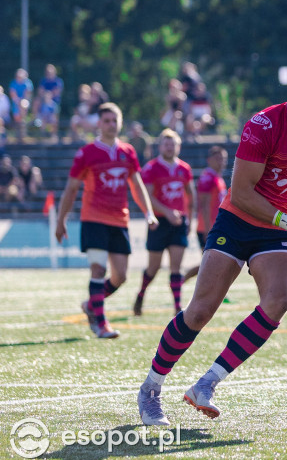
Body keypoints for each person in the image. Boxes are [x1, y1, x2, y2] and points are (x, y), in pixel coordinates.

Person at [136, 50, 287, 426]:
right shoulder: (264, 124)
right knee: (201, 311)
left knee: (278, 301)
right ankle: (151, 388)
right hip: (239, 221)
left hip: (282, 230)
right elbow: (242, 193)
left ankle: (207, 384)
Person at [55, 103, 159, 339]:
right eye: (107, 121)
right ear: (99, 124)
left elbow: (137, 184)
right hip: (93, 218)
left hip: (119, 220)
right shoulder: (87, 153)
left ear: (120, 123)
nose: (111, 125)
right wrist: (61, 220)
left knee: (120, 276)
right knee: (98, 268)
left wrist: (148, 212)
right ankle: (100, 324)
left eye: (115, 120)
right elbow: (71, 189)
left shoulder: (128, 151)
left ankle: (91, 304)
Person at [133, 129, 196, 316]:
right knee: (154, 267)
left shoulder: (184, 168)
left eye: (172, 144)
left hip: (178, 222)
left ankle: (177, 307)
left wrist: (190, 219)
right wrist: (167, 212)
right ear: (160, 147)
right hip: (158, 223)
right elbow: (148, 197)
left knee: (176, 266)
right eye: (166, 144)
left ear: (178, 146)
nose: (169, 147)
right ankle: (141, 294)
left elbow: (190, 196)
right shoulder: (151, 168)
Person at [182, 146, 229, 285]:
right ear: (209, 160)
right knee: (209, 264)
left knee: (216, 263)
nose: (221, 162)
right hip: (208, 228)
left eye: (223, 158)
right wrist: (208, 229)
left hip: (217, 227)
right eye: (217, 158)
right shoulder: (208, 178)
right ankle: (181, 281)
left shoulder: (217, 178)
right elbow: (204, 205)